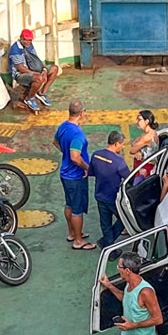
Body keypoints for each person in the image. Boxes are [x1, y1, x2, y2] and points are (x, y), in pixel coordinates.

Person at [56, 100, 95, 250]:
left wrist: (65, 153)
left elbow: (55, 142)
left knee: (69, 204)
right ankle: (78, 241)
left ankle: (72, 233)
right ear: (81, 113)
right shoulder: (77, 134)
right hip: (75, 177)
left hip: (65, 174)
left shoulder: (63, 126)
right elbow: (74, 156)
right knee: (77, 210)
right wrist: (87, 167)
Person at [89, 131, 129, 248]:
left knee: (105, 223)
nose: (123, 146)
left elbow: (91, 172)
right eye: (122, 144)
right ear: (116, 144)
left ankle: (107, 244)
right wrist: (141, 175)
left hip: (100, 195)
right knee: (124, 220)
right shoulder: (119, 162)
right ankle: (108, 245)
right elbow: (129, 180)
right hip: (114, 198)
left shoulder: (96, 155)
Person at [7, 29, 61, 112]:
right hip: (20, 74)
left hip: (32, 68)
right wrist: (38, 73)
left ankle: (42, 93)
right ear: (21, 38)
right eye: (25, 40)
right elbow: (21, 69)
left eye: (29, 40)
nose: (27, 42)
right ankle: (29, 98)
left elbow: (36, 60)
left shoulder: (29, 45)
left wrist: (44, 70)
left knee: (54, 69)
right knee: (39, 78)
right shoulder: (15, 50)